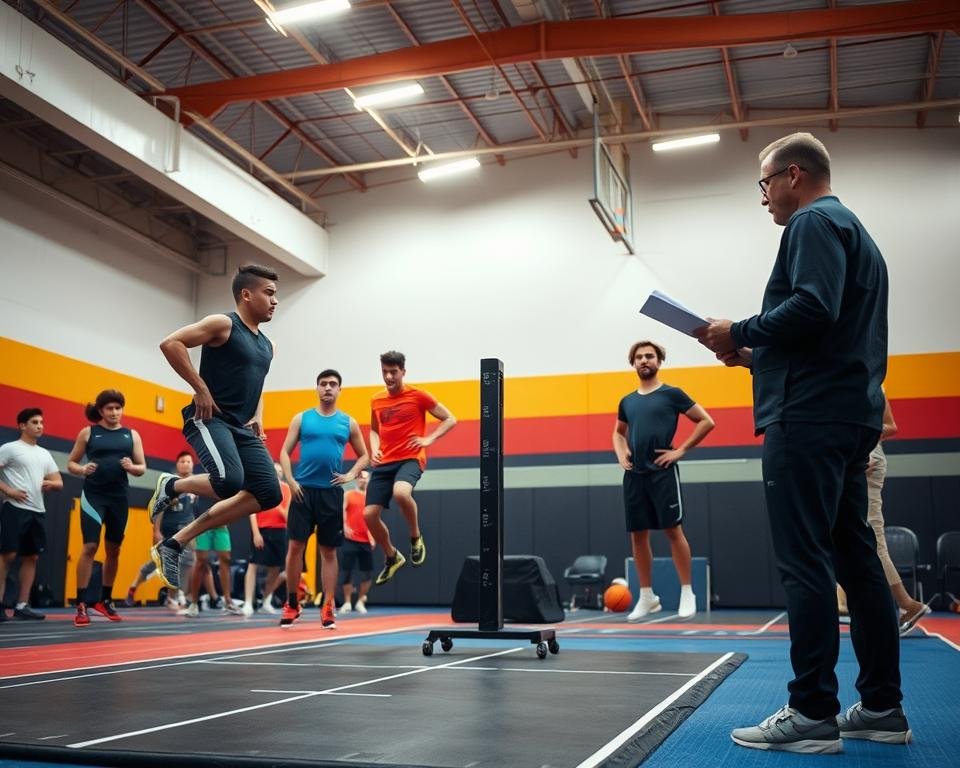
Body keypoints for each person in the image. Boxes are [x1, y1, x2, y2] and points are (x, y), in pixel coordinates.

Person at [695, 132, 907, 753]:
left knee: (805, 560)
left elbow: (812, 307)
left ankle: (812, 712)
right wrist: (756, 355)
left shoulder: (812, 223)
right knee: (856, 560)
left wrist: (739, 328)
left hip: (808, 420)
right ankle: (881, 708)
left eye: (764, 185)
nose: (762, 199)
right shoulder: (858, 234)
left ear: (792, 175)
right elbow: (828, 330)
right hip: (848, 414)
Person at [148, 264, 283, 592]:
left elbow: (257, 384)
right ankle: (173, 485)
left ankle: (174, 544)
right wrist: (200, 388)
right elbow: (171, 343)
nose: (274, 300)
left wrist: (259, 415)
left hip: (241, 426)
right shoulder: (223, 324)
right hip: (208, 418)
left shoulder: (268, 345)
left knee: (269, 493)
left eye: (276, 294)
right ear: (246, 294)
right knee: (228, 481)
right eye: (269, 293)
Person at [612, 341, 714, 621]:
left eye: (650, 356)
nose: (645, 360)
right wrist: (621, 453)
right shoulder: (627, 401)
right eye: (639, 357)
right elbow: (618, 433)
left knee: (673, 531)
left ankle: (686, 591)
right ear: (633, 363)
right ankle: (647, 596)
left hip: (662, 472)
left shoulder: (672, 394)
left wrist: (680, 450)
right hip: (634, 475)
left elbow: (706, 421)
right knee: (638, 536)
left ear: (659, 361)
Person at [279, 370, 369, 628]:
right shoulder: (302, 418)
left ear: (340, 389)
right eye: (323, 384)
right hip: (301, 490)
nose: (328, 388)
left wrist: (351, 474)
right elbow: (284, 452)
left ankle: (328, 606)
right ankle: (292, 602)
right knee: (295, 547)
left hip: (330, 493)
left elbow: (364, 456)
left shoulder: (347, 423)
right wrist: (290, 480)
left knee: (328, 551)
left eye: (333, 384)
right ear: (317, 388)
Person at [836, 397, 928, 634]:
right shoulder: (862, 382)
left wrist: (862, 442)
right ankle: (845, 600)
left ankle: (907, 603)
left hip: (865, 457)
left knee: (872, 539)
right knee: (847, 533)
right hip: (860, 456)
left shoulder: (868, 384)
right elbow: (889, 426)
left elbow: (890, 426)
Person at [364, 351, 456, 586]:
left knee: (401, 493)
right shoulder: (376, 399)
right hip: (384, 462)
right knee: (369, 515)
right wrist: (374, 448)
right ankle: (392, 556)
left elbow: (449, 418)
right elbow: (374, 430)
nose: (388, 376)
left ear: (403, 372)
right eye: (384, 371)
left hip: (410, 458)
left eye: (393, 372)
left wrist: (429, 439)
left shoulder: (418, 396)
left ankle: (415, 537)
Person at [67, 390, 146, 625]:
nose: (114, 412)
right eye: (109, 408)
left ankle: (105, 600)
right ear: (101, 411)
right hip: (93, 496)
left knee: (114, 551)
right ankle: (81, 604)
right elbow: (71, 462)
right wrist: (82, 470)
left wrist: (132, 468)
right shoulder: (88, 432)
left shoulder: (132, 435)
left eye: (118, 408)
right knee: (90, 547)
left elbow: (142, 467)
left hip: (119, 498)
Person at [0, 408, 63, 621]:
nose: (39, 426)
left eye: (41, 422)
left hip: (38, 511)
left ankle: (22, 605)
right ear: (22, 425)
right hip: (15, 509)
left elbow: (59, 482)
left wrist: (51, 483)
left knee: (32, 557)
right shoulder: (10, 449)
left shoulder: (44, 454)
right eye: (34, 422)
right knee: (7, 555)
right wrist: (8, 491)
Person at [126, 451, 198, 608]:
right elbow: (159, 508)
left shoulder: (197, 483)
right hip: (168, 529)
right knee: (156, 562)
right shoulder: (170, 482)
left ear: (193, 465)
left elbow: (194, 510)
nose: (186, 464)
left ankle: (176, 597)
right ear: (177, 465)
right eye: (182, 461)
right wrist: (156, 531)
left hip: (186, 528)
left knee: (186, 562)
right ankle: (133, 587)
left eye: (188, 461)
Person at [181, 496, 244, 617]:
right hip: (202, 523)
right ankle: (194, 603)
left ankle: (228, 601)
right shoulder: (201, 479)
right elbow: (195, 503)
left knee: (225, 559)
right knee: (201, 561)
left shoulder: (225, 480)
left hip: (221, 524)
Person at [243, 462, 291, 617]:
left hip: (280, 531)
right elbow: (251, 511)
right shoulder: (260, 484)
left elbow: (287, 515)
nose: (277, 472)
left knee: (276, 568)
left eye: (279, 470)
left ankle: (265, 601)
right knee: (253, 565)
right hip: (262, 530)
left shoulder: (287, 489)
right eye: (274, 470)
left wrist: (276, 504)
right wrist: (256, 533)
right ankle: (248, 602)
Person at [340, 470, 374, 614]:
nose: (363, 480)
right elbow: (341, 511)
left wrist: (373, 535)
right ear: (356, 480)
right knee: (347, 571)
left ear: (369, 480)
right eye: (360, 478)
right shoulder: (348, 495)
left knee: (367, 573)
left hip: (366, 540)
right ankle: (347, 602)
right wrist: (345, 526)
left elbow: (374, 518)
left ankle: (360, 601)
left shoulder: (371, 498)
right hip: (350, 539)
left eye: (366, 478)